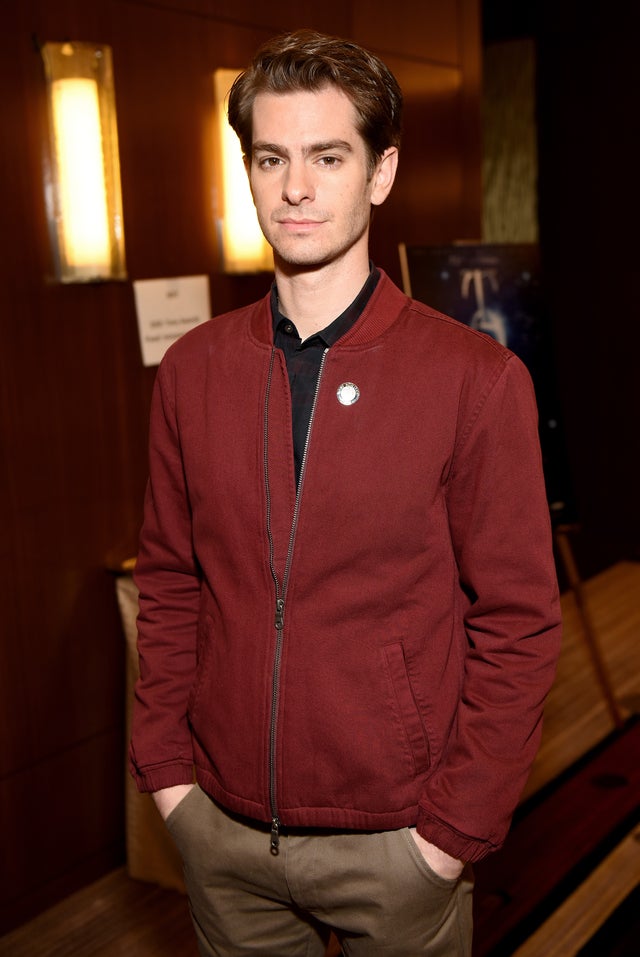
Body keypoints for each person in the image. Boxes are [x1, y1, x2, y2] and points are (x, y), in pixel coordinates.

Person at [130, 29, 562, 957]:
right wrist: (170, 776)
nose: (296, 187)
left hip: (399, 842)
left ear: (381, 172)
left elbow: (520, 620)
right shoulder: (193, 371)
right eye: (271, 158)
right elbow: (168, 582)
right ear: (246, 171)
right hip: (222, 831)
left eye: (329, 156)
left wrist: (449, 835)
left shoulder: (474, 379)